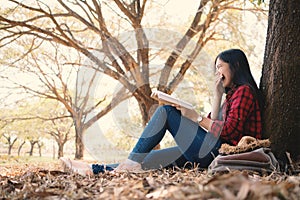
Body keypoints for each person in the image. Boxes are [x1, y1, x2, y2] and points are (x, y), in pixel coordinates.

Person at [60, 49, 263, 175]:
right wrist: (216, 96)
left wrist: (195, 117)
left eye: (220, 67)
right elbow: (216, 127)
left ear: (236, 66)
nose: (217, 73)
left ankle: (129, 162)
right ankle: (92, 170)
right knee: (151, 160)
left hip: (219, 153)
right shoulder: (231, 95)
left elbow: (228, 132)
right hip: (211, 151)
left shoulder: (244, 92)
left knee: (165, 111)